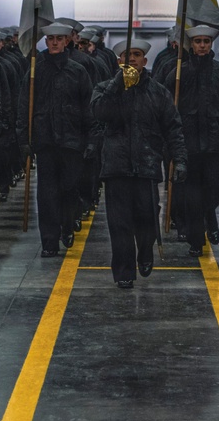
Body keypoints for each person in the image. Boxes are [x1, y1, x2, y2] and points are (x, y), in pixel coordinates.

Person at [91, 39, 187, 289]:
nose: (131, 59)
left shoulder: (157, 92)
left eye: (136, 55)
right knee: (119, 223)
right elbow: (100, 113)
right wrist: (117, 85)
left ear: (145, 61)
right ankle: (124, 271)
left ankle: (145, 250)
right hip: (116, 167)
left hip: (146, 165)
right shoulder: (104, 88)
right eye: (125, 55)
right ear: (118, 61)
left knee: (146, 218)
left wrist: (180, 159)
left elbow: (173, 128)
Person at [17, 23, 94, 257]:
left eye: (59, 39)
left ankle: (67, 226)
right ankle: (49, 240)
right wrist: (23, 140)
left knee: (69, 189)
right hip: (45, 141)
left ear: (67, 41)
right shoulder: (35, 71)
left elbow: (88, 108)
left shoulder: (78, 71)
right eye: (50, 39)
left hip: (72, 141)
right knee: (47, 193)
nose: (54, 43)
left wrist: (91, 140)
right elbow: (23, 107)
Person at [160, 25, 219, 257]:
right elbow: (168, 110)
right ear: (190, 45)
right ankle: (195, 238)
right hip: (188, 144)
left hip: (214, 144)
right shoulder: (178, 74)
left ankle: (210, 214)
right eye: (198, 41)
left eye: (206, 41)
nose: (202, 45)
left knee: (215, 189)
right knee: (191, 195)